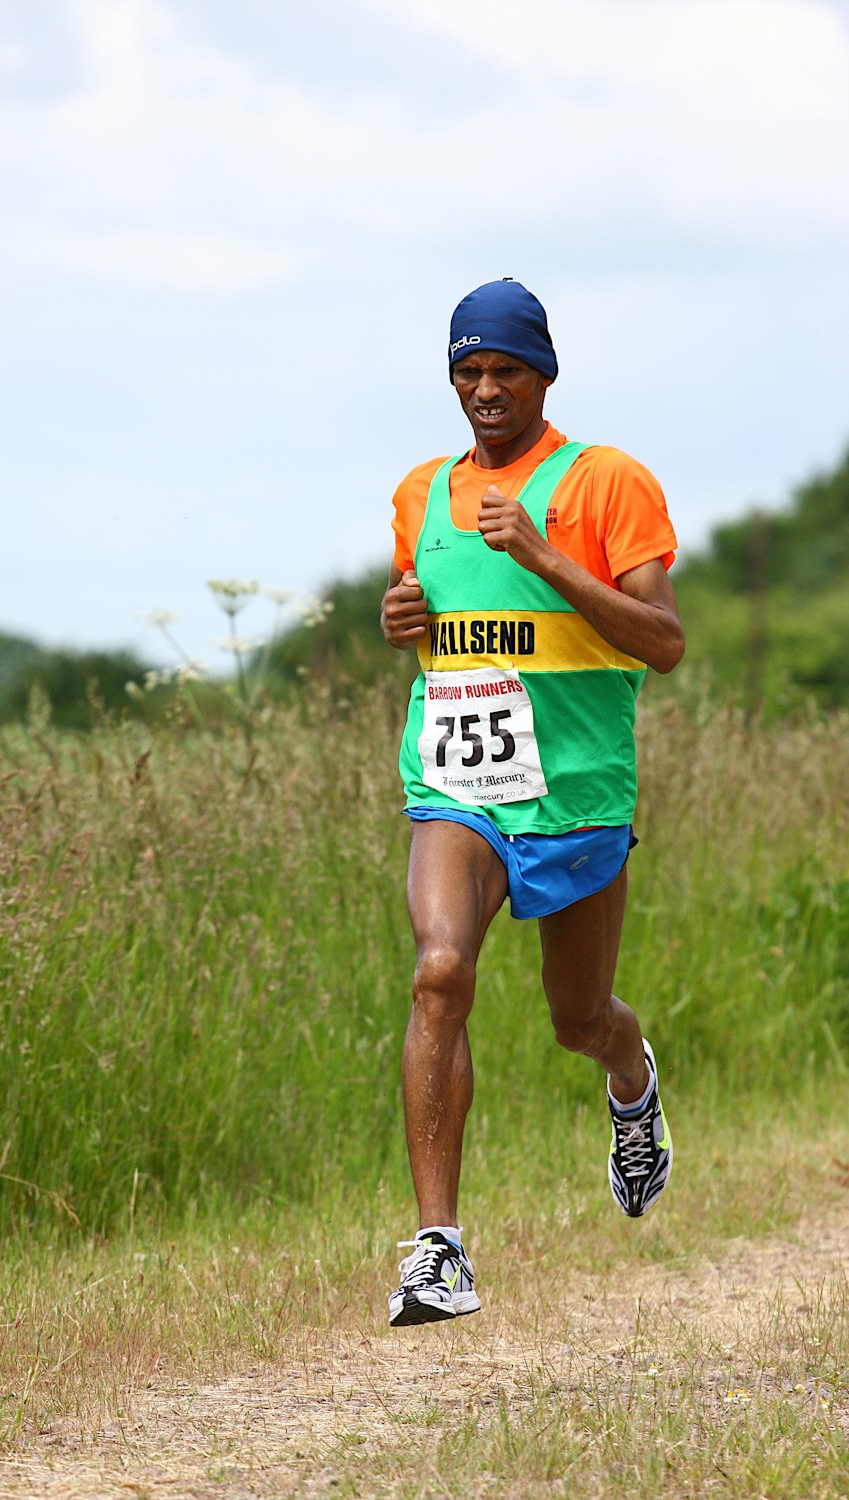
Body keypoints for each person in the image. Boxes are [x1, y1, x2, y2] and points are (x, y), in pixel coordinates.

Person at [380, 279, 685, 1328]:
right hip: (457, 784)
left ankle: (631, 1081)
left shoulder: (604, 482)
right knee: (438, 973)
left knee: (577, 1020)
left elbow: (664, 641)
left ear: (541, 373)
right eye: (465, 372)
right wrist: (401, 619)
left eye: (502, 369)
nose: (483, 389)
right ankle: (438, 1252)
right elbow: (439, 631)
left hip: (577, 791)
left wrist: (543, 556)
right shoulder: (420, 494)